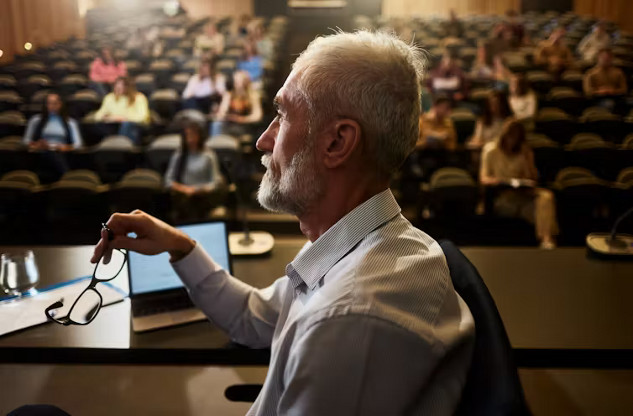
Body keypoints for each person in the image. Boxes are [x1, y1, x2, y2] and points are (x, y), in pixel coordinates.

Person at [93, 30, 474, 415]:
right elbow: (251, 317)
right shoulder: (354, 240)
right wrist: (179, 245)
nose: (262, 140)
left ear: (337, 143)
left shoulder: (349, 321)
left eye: (282, 115)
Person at [480, 120, 558, 249]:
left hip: (522, 196)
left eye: (516, 137)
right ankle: (547, 238)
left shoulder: (523, 152)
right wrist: (501, 181)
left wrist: (528, 158)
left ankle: (546, 241)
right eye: (511, 136)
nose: (512, 140)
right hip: (503, 197)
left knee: (546, 197)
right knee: (544, 214)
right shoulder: (491, 150)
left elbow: (532, 179)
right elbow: (484, 179)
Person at [165, 122, 225, 221]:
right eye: (187, 135)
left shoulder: (208, 155)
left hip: (203, 195)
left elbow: (215, 182)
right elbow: (168, 180)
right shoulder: (179, 155)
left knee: (196, 203)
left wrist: (197, 190)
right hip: (182, 194)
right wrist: (184, 189)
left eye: (193, 135)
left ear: (199, 137)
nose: (190, 139)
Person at [23, 92, 83, 179]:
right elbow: (25, 141)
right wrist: (36, 145)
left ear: (61, 104)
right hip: (40, 152)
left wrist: (67, 147)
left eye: (55, 103)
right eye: (49, 103)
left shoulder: (70, 122)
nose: (52, 106)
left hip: (62, 153)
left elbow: (78, 144)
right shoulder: (36, 120)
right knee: (47, 155)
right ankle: (66, 177)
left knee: (54, 155)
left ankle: (64, 176)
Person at [94, 76, 150, 144]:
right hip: (114, 124)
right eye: (116, 87)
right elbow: (98, 115)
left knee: (126, 124)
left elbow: (141, 117)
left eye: (121, 88)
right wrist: (105, 117)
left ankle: (122, 146)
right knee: (100, 125)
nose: (117, 89)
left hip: (134, 125)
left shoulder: (139, 98)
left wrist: (123, 118)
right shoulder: (109, 97)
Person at [210, 70, 262, 137]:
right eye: (236, 81)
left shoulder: (252, 96)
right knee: (216, 125)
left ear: (246, 82)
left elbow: (257, 116)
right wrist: (224, 113)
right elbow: (222, 113)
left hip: (245, 125)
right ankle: (215, 144)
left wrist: (242, 119)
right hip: (230, 123)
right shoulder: (229, 95)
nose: (237, 83)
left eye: (239, 81)